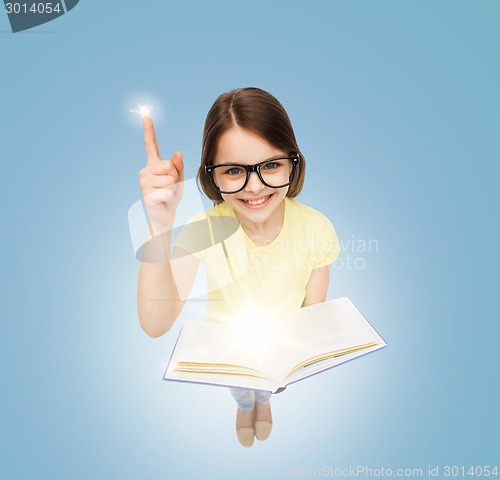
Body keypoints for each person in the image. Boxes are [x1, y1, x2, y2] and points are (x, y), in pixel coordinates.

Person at [136, 87, 341, 447]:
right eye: (234, 170)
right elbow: (155, 324)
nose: (255, 187)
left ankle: (263, 404)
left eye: (271, 165)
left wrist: (294, 356)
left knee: (267, 389)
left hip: (281, 350)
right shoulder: (205, 230)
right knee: (241, 390)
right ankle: (246, 407)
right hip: (230, 351)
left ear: (293, 162)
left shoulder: (317, 228)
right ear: (211, 176)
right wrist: (159, 224)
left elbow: (313, 309)